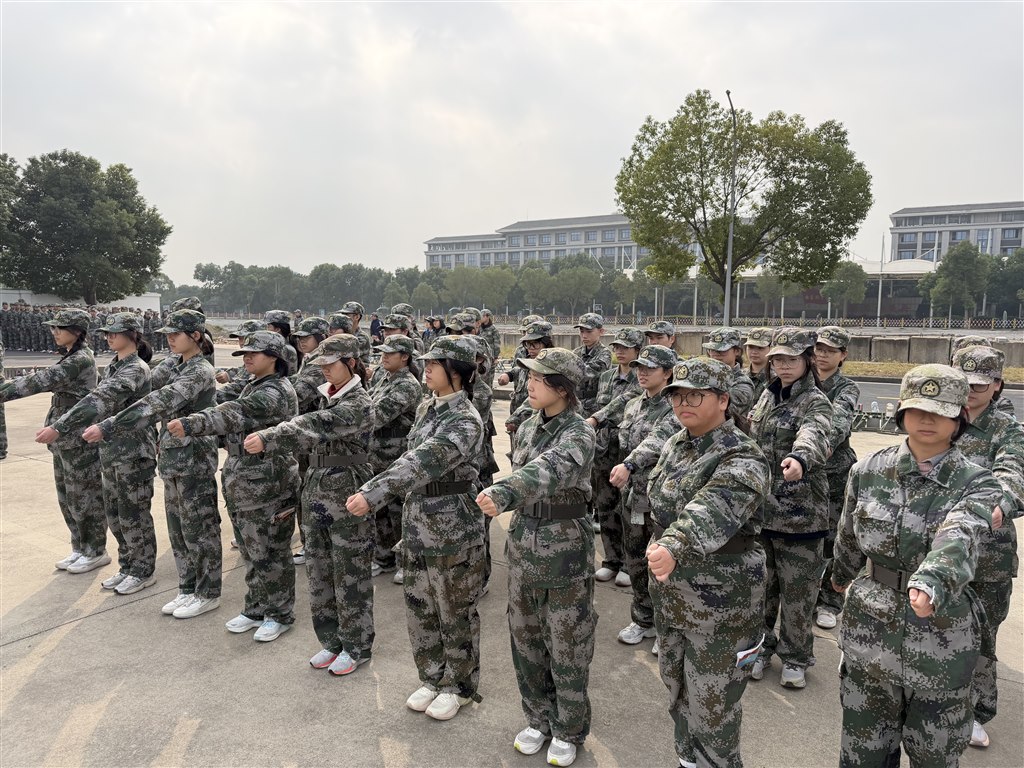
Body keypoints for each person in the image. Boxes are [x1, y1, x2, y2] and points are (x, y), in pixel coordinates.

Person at [832, 364, 1001, 768]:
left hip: (940, 634)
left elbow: (958, 537)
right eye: (918, 410)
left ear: (959, 417)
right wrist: (839, 577)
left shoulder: (978, 482)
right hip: (870, 631)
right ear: (901, 412)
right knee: (863, 751)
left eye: (940, 412)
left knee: (934, 755)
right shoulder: (868, 470)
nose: (927, 419)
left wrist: (930, 581)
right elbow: (848, 534)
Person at [346, 335, 485, 720]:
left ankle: (459, 685)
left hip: (452, 523)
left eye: (435, 364)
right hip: (419, 517)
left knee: (453, 608)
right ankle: (432, 676)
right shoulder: (428, 406)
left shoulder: (465, 419)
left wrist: (374, 492)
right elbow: (410, 456)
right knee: (420, 605)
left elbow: (423, 460)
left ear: (457, 372)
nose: (427, 369)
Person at [647, 357, 770, 768]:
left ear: (723, 400)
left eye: (695, 395)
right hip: (672, 594)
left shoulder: (743, 456)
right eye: (677, 395)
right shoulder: (676, 443)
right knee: (677, 689)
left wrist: (673, 544)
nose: (684, 403)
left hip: (721, 602)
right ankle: (687, 759)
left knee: (714, 707)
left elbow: (711, 508)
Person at [476, 348, 596, 768]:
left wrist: (504, 491)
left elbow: (548, 470)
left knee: (566, 641)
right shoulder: (527, 425)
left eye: (541, 379)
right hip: (525, 541)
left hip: (563, 547)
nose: (530, 384)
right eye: (530, 376)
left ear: (563, 388)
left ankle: (568, 728)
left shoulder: (579, 432)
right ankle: (538, 718)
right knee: (525, 637)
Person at [246, 334, 376, 674]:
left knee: (349, 575)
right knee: (319, 573)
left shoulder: (358, 403)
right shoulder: (327, 396)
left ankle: (356, 646)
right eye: (321, 365)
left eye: (331, 364)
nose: (325, 371)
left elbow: (314, 425)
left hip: (346, 492)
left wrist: (270, 436)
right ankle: (331, 642)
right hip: (317, 490)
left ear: (351, 363)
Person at [84, 309, 222, 619]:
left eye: (176, 334)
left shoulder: (199, 370)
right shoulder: (176, 366)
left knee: (199, 529)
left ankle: (208, 592)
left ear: (195, 336)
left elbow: (159, 401)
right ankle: (188, 588)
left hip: (195, 460)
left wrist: (109, 425)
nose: (170, 338)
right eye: (167, 334)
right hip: (173, 458)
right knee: (179, 530)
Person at [168, 331, 299, 641]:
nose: (247, 358)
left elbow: (233, 413)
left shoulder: (275, 391)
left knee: (270, 551)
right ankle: (256, 608)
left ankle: (279, 614)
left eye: (254, 353)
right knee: (251, 551)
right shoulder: (255, 384)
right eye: (244, 354)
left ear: (274, 358)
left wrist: (191, 423)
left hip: (268, 483)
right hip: (244, 480)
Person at [36, 312, 158, 594]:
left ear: (132, 335)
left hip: (133, 451)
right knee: (115, 515)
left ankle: (142, 571)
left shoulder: (135, 368)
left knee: (133, 515)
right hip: (112, 450)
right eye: (107, 333)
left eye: (115, 333)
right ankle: (127, 566)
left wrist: (59, 426)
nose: (109, 337)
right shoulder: (115, 366)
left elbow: (100, 399)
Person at [747, 327, 832, 689]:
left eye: (791, 359)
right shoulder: (767, 396)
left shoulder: (815, 401)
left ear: (808, 360)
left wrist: (800, 458)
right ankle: (761, 649)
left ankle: (795, 657)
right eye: (778, 359)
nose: (783, 365)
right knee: (762, 589)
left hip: (801, 515)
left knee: (798, 594)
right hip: (763, 512)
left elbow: (815, 434)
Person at [951, 345, 1024, 749]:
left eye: (979, 385)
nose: (970, 392)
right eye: (963, 383)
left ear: (997, 385)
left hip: (987, 554)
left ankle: (976, 711)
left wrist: (1001, 502)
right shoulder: (942, 417)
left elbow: (1013, 472)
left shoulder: (1007, 429)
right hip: (939, 546)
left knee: (981, 636)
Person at [0, 308, 107, 573]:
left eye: (61, 328)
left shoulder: (79, 359)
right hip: (64, 434)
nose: (55, 332)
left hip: (77, 434)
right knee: (67, 496)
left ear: (78, 332)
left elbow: (40, 380)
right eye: (53, 327)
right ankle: (80, 547)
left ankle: (95, 550)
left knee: (84, 495)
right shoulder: (70, 355)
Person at [610, 344, 680, 648]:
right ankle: (643, 619)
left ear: (667, 373)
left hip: (662, 499)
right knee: (636, 560)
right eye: (640, 367)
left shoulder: (674, 406)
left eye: (650, 368)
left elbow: (656, 442)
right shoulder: (633, 405)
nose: (642, 373)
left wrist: (629, 464)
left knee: (662, 566)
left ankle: (667, 628)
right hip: (633, 497)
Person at [812, 326, 861, 631]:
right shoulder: (802, 381)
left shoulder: (846, 388)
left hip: (833, 474)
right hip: (800, 476)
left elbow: (838, 422)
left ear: (843, 355)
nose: (822, 355)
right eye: (819, 349)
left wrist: (812, 450)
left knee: (833, 539)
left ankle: (829, 601)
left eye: (830, 351)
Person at [588, 328, 644, 586]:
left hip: (627, 453)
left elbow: (620, 404)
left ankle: (628, 565)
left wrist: (596, 418)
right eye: (617, 347)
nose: (620, 352)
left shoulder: (641, 379)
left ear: (638, 351)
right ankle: (611, 560)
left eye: (626, 348)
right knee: (605, 506)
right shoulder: (606, 377)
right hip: (604, 451)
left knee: (629, 513)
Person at [366, 335, 422, 582]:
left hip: (396, 454)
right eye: (383, 352)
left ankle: (404, 561)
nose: (384, 357)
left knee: (398, 510)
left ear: (405, 357)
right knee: (379, 508)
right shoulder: (385, 378)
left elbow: (376, 415)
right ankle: (383, 557)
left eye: (390, 353)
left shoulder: (406, 385)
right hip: (377, 454)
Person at [501, 320, 554, 432]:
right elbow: (520, 370)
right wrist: (509, 375)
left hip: (537, 424)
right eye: (527, 344)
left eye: (535, 344)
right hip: (520, 421)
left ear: (547, 343)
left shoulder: (552, 366)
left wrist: (516, 418)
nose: (530, 348)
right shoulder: (531, 360)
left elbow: (537, 398)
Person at [701, 327, 755, 431]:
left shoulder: (743, 384)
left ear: (737, 351)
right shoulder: (704, 377)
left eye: (723, 350)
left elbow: (721, 411)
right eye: (713, 350)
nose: (716, 354)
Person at [572, 312, 611, 417]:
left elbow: (587, 373)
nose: (584, 335)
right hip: (575, 403)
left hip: (594, 406)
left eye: (589, 331)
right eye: (581, 331)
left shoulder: (605, 354)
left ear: (601, 331)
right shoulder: (576, 352)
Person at [264, 309, 300, 376]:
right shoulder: (273, 346)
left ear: (277, 329)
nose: (265, 330)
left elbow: (289, 377)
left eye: (268, 327)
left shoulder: (286, 349)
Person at [744, 327, 773, 402]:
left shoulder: (776, 379)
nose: (754, 352)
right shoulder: (739, 376)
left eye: (760, 348)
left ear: (771, 348)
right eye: (750, 347)